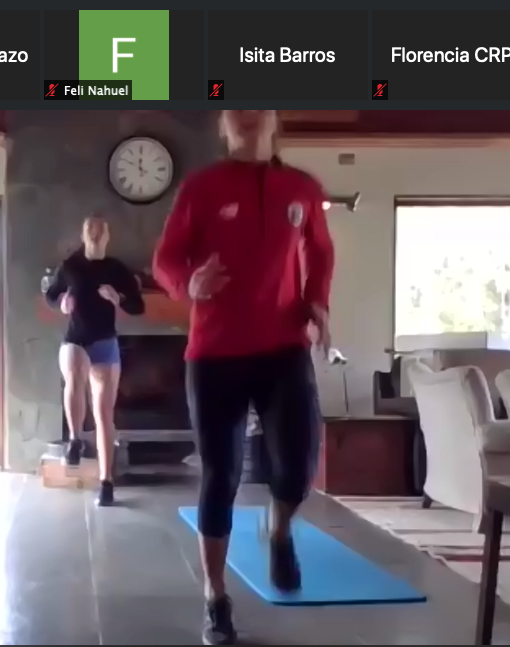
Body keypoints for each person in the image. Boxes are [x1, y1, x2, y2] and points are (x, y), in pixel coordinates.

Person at [152, 110, 336, 645]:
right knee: (221, 474)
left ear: (275, 119)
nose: (247, 111)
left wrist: (317, 302)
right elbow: (165, 260)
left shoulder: (301, 188)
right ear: (222, 125)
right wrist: (188, 284)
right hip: (215, 353)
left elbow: (319, 250)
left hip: (284, 347)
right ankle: (215, 598)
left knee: (298, 467)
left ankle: (279, 529)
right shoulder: (201, 188)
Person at [44, 215, 145, 506]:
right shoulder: (70, 266)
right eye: (91, 228)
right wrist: (62, 302)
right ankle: (75, 439)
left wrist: (118, 298)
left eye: (101, 229)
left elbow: (138, 306)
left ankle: (106, 482)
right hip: (76, 340)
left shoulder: (116, 269)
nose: (96, 233)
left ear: (108, 236)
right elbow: (51, 295)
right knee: (75, 372)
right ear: (84, 234)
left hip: (105, 343)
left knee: (103, 415)